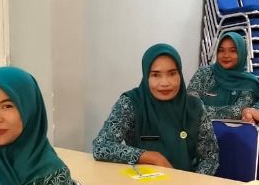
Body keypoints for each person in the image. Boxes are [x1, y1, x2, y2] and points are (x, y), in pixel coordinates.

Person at [92, 43, 219, 175]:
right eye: (155, 75)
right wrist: (152, 157)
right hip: (142, 181)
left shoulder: (194, 106)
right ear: (146, 76)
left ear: (180, 74)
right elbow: (101, 146)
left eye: (172, 73)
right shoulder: (131, 103)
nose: (165, 83)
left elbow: (210, 156)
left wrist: (192, 182)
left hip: (186, 182)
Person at [187, 32, 259, 120]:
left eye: (233, 51)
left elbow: (238, 112)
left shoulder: (249, 83)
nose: (226, 55)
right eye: (221, 50)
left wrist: (200, 111)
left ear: (242, 53)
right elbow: (189, 104)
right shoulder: (204, 73)